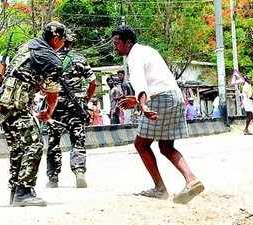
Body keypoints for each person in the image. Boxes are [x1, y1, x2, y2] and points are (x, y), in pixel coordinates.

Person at [112, 25, 204, 204]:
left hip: (160, 99)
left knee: (141, 144)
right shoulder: (148, 50)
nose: (114, 47)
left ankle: (160, 188)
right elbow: (156, 81)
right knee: (166, 147)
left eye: (117, 43)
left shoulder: (134, 56)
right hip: (175, 96)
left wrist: (143, 105)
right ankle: (192, 180)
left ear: (127, 42)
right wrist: (139, 101)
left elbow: (140, 82)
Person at [0, 21, 66, 207]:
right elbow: (52, 93)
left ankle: (16, 191)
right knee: (35, 145)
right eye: (63, 39)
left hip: (3, 104)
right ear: (56, 39)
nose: (64, 43)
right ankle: (23, 191)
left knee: (18, 149)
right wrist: (48, 112)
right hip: (17, 105)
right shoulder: (51, 59)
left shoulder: (28, 45)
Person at [45, 30, 96, 189]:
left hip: (55, 106)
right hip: (76, 106)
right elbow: (93, 82)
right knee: (77, 139)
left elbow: (43, 85)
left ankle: (53, 178)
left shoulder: (49, 59)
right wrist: (86, 99)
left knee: (54, 141)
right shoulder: (80, 59)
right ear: (71, 43)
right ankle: (79, 171)